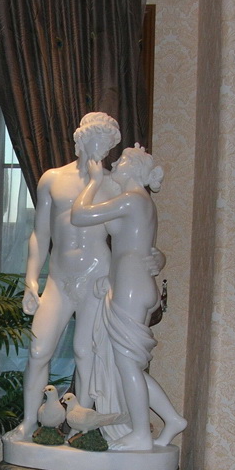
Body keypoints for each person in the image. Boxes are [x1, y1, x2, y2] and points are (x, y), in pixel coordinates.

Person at [11, 112, 121, 440]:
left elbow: (126, 239)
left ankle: (78, 427)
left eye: (108, 146)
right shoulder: (53, 179)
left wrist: (117, 275)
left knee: (85, 352)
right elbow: (40, 234)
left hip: (96, 276)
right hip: (58, 279)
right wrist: (31, 281)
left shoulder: (114, 184)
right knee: (38, 350)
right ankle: (29, 421)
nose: (103, 151)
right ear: (82, 139)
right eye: (99, 142)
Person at [70, 144, 186, 450]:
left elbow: (79, 215)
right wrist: (109, 279)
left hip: (132, 285)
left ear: (134, 168)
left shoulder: (133, 199)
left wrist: (94, 181)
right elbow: (133, 245)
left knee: (127, 367)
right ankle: (172, 419)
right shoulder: (139, 202)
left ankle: (141, 434)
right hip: (131, 282)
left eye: (121, 160)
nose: (115, 164)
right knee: (127, 366)